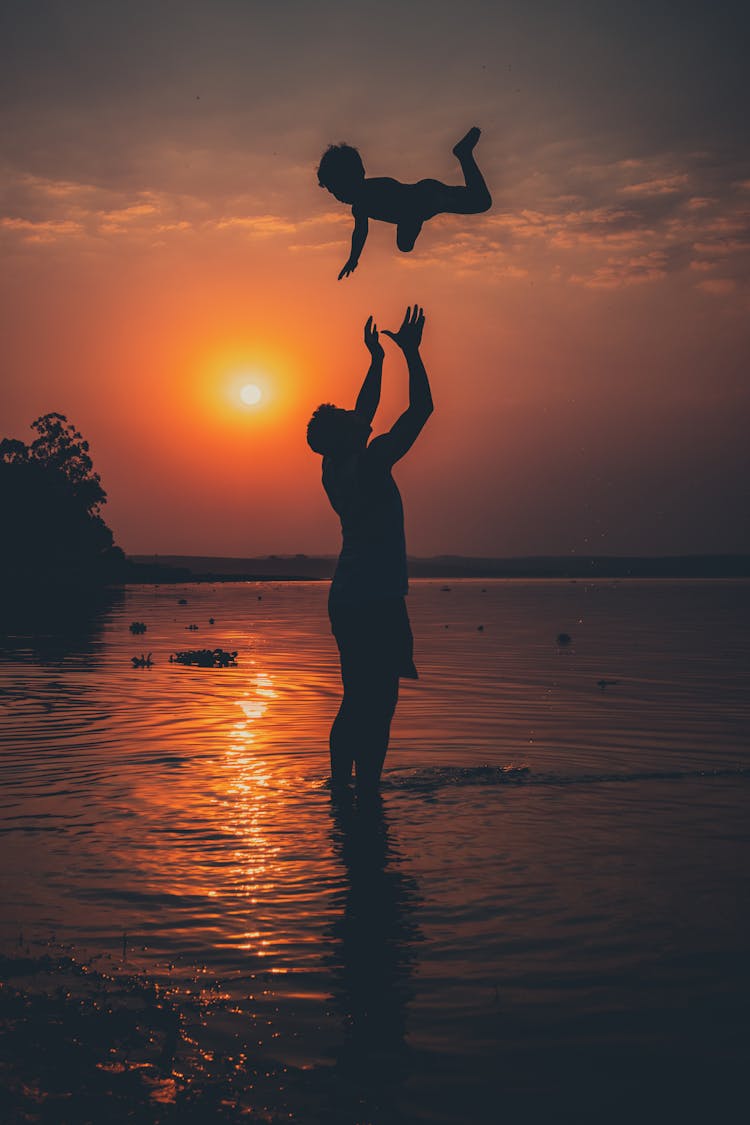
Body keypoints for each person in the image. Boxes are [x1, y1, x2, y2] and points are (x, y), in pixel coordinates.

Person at [306, 306, 433, 796]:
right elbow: (420, 411)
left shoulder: (334, 468)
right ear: (346, 434)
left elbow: (366, 408)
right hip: (376, 598)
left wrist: (378, 359)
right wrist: (413, 355)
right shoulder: (374, 461)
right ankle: (368, 793)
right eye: (350, 420)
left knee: (355, 698)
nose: (360, 418)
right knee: (378, 703)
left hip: (347, 595)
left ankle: (343, 790)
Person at [317, 127, 491, 279]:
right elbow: (360, 232)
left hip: (425, 197)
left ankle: (464, 154)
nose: (338, 197)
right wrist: (353, 259)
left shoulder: (373, 190)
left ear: (354, 176)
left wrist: (411, 220)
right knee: (405, 245)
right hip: (423, 201)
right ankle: (463, 155)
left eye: (337, 190)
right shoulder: (360, 206)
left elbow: (363, 230)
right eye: (333, 193)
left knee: (481, 202)